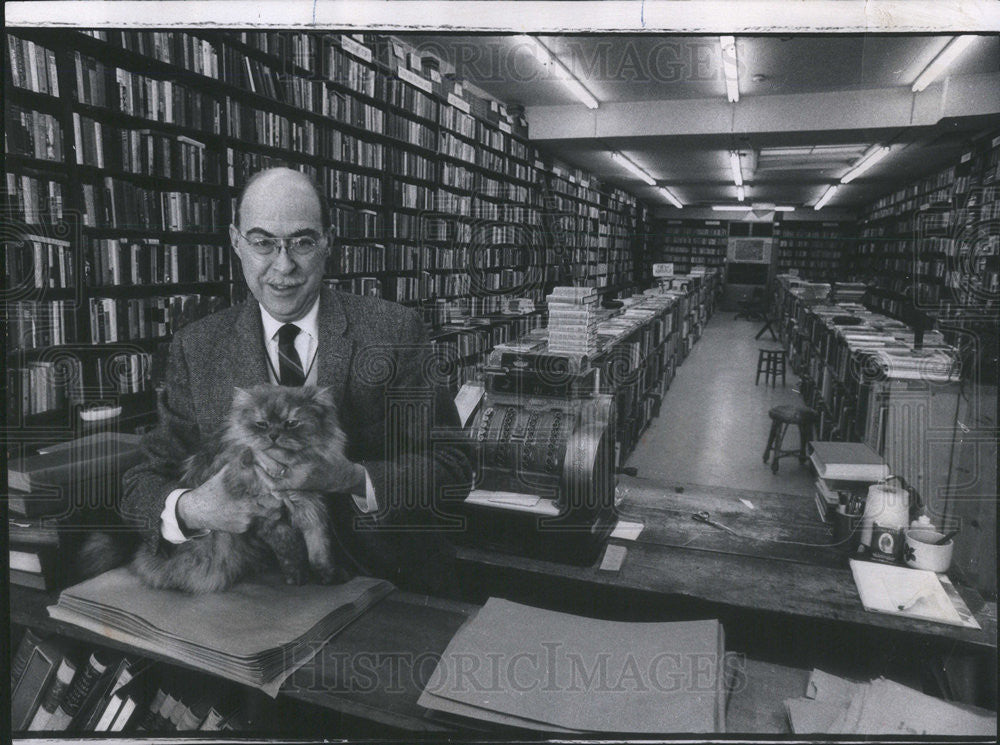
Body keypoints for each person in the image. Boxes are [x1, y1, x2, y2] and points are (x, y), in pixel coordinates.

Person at [121, 167, 474, 593]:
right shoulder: (197, 348)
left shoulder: (395, 333)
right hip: (248, 594)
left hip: (384, 584)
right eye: (262, 242)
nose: (283, 265)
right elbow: (142, 482)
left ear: (328, 242)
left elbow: (454, 469)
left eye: (303, 242)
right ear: (237, 243)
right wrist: (195, 509)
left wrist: (351, 478)